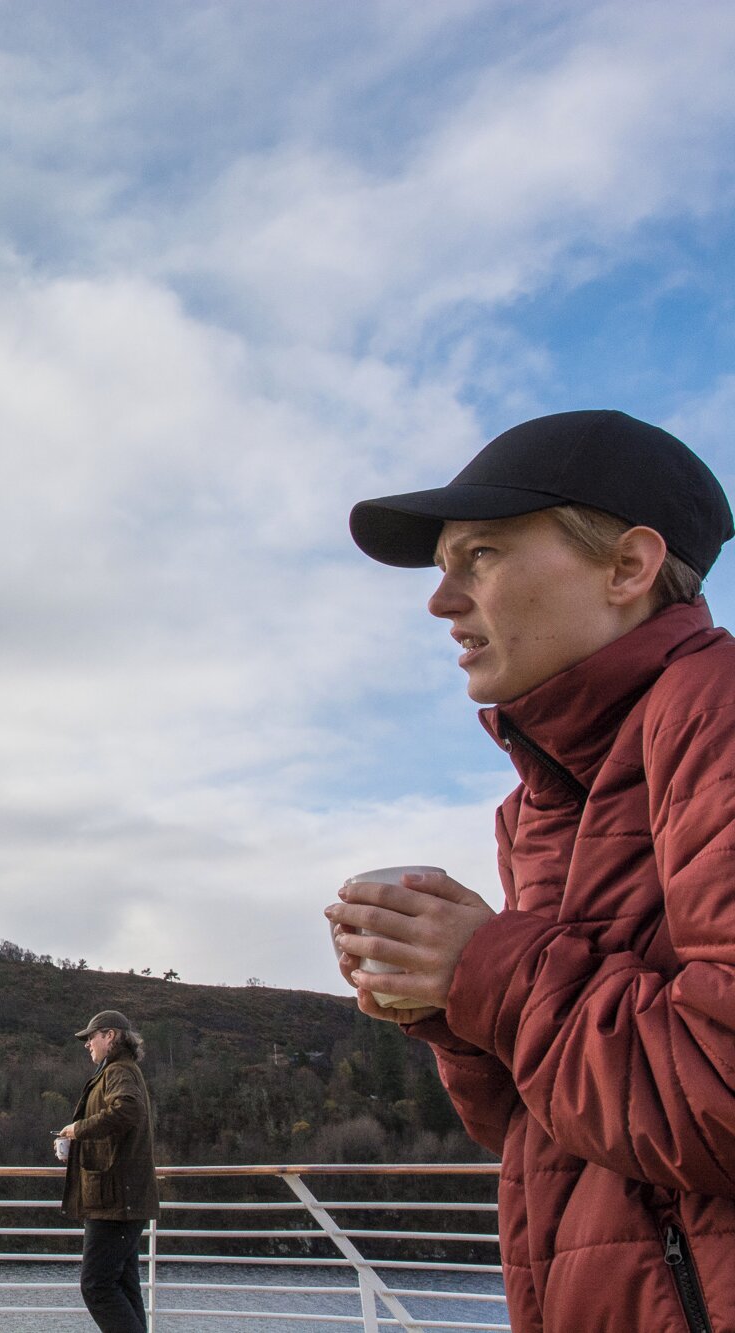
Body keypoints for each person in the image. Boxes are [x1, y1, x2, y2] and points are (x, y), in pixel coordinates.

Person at [331, 409, 735, 1331]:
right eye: (442, 567)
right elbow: (542, 1128)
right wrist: (451, 1009)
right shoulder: (548, 797)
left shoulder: (718, 713)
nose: (441, 600)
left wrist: (491, 970)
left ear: (628, 567)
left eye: (481, 556)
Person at [53, 1009, 159, 1333]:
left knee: (96, 1285)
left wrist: (76, 1130)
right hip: (119, 1199)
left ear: (110, 1036)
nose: (87, 1044)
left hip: (116, 1202)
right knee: (125, 1288)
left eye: (91, 1037)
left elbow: (128, 1109)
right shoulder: (118, 1070)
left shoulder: (118, 1071)